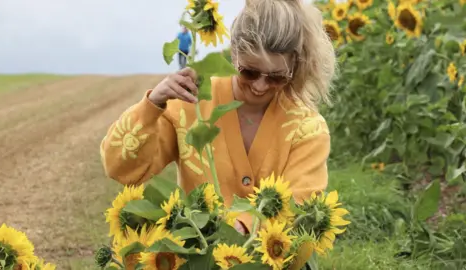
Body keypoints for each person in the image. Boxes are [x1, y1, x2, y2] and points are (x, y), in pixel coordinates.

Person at [100, 0, 336, 236]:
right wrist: (153, 105)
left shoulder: (307, 128)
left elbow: (299, 207)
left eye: (276, 77)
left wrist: (239, 230)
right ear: (234, 55)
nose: (260, 86)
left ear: (295, 67)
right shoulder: (192, 104)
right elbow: (120, 168)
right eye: (249, 72)